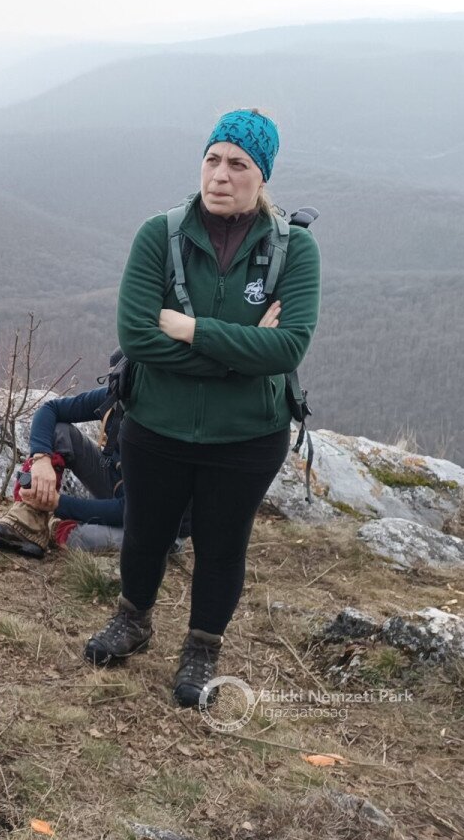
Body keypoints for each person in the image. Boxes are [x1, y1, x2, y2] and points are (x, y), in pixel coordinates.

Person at [82, 109, 320, 709]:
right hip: (156, 422)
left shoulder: (294, 250)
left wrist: (191, 330)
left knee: (223, 543)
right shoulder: (158, 236)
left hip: (248, 434)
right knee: (146, 531)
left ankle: (202, 648)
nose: (221, 175)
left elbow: (288, 347)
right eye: (212, 159)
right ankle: (133, 620)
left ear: (262, 176)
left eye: (238, 164)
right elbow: (138, 338)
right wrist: (240, 355)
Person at [0, 370, 134, 557]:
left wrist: (58, 504)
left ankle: (52, 525)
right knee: (60, 431)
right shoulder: (119, 395)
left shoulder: (159, 421)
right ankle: (26, 521)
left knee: (84, 536)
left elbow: (132, 510)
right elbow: (50, 410)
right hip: (116, 481)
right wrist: (41, 458)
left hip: (148, 520)